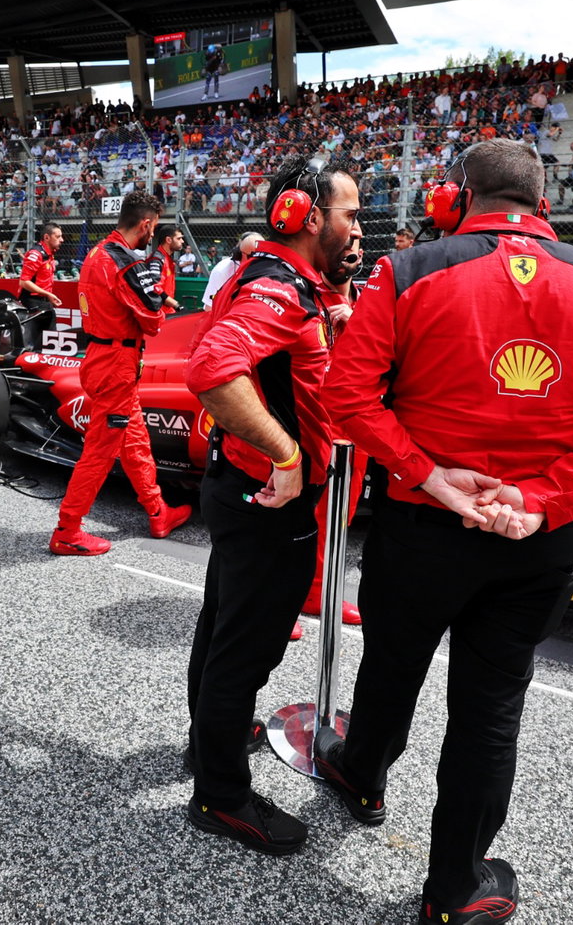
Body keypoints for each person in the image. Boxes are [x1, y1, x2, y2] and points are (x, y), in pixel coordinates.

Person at [315, 138, 573, 923]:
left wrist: (429, 474)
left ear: (457, 198)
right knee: (490, 711)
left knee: (391, 666)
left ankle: (362, 776)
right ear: (545, 203)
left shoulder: (406, 270)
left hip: (423, 523)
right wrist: (546, 496)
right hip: (536, 537)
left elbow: (346, 397)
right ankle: (454, 890)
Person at [183, 154, 360, 855]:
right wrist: (287, 456)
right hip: (265, 499)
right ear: (307, 216)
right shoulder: (279, 287)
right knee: (244, 654)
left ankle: (209, 746)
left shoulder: (284, 279)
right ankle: (221, 796)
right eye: (349, 214)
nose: (357, 228)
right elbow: (211, 369)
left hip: (239, 487)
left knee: (221, 630)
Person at [50, 193, 190, 555]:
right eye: (154, 228)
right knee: (100, 451)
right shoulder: (123, 261)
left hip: (104, 357)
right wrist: (157, 302)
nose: (153, 235)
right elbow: (154, 321)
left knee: (135, 440)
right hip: (116, 364)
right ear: (145, 224)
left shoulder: (96, 253)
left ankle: (158, 512)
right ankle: (67, 530)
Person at [201, 231, 261, 310]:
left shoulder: (266, 268)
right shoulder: (222, 270)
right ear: (238, 253)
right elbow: (210, 307)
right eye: (252, 256)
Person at [19, 222, 63, 317]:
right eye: (58, 237)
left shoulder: (50, 254)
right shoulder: (36, 254)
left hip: (44, 302)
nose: (62, 240)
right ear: (46, 237)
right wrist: (47, 294)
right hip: (32, 304)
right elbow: (24, 282)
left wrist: (48, 296)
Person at [150, 224, 184, 312]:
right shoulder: (156, 259)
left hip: (167, 310)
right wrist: (175, 304)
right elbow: (154, 287)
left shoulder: (168, 259)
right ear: (168, 240)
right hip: (159, 312)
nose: (182, 241)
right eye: (179, 238)